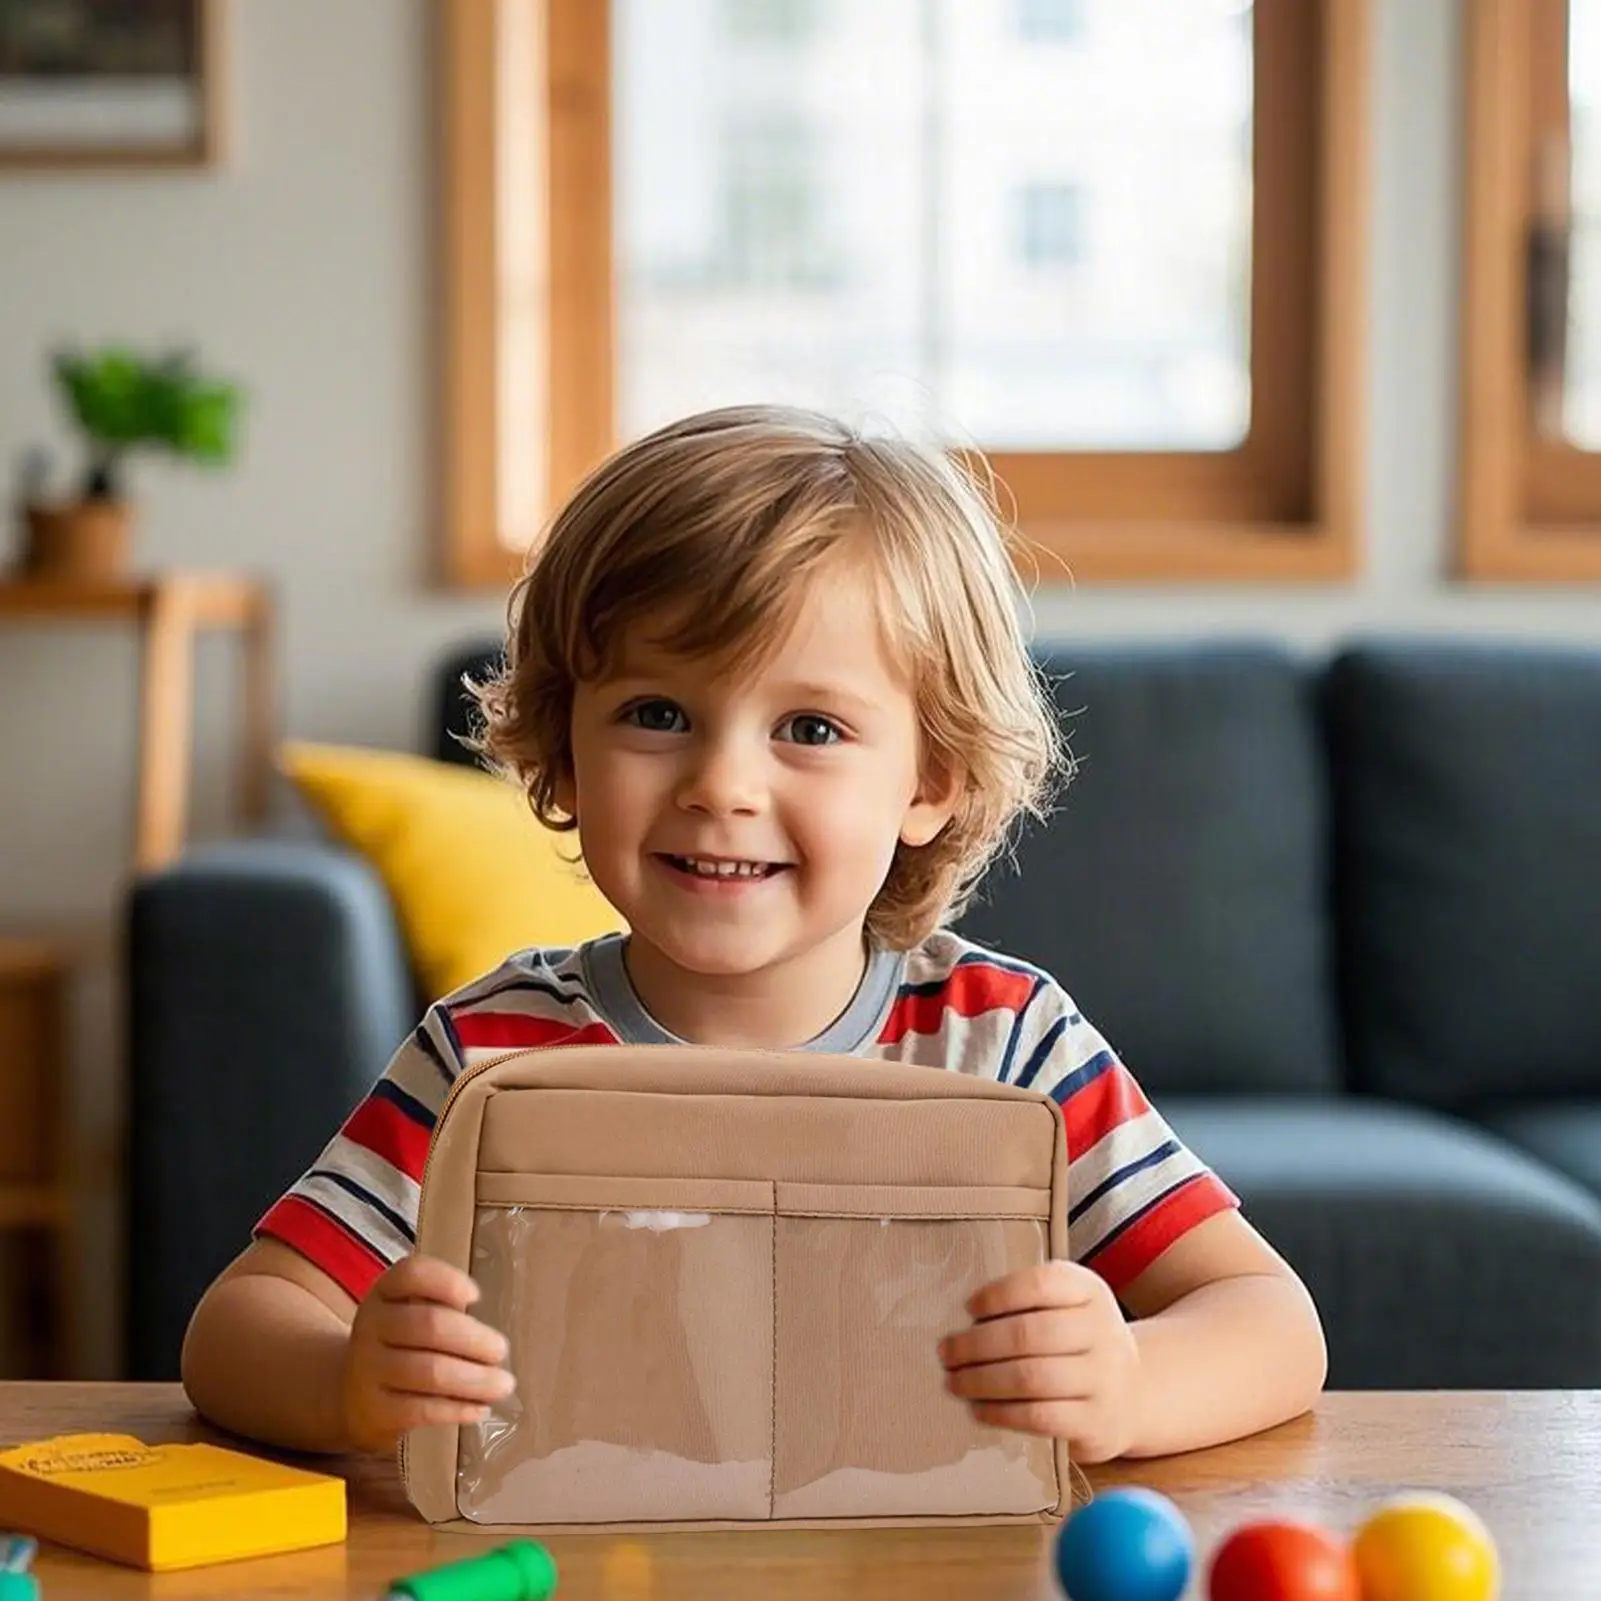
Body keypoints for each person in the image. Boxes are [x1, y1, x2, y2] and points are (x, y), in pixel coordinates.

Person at [182, 404, 1326, 1463]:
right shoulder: (492, 1051)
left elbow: (1271, 1322)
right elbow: (238, 1324)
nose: (720, 783)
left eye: (810, 726)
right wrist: (347, 1381)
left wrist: (1126, 1381)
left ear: (930, 777)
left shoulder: (1005, 1042)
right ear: (567, 749)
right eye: (657, 713)